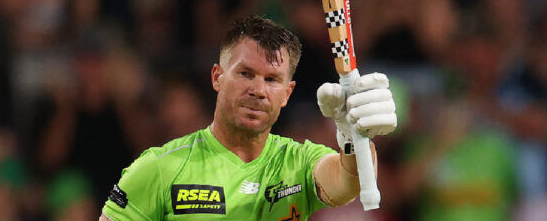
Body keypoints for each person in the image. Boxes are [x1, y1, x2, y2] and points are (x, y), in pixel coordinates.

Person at [100, 15, 397, 220]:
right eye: (245, 73)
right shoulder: (158, 168)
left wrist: (353, 136)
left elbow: (348, 182)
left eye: (272, 79)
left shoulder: (299, 163)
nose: (258, 90)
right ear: (217, 77)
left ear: (287, 93)